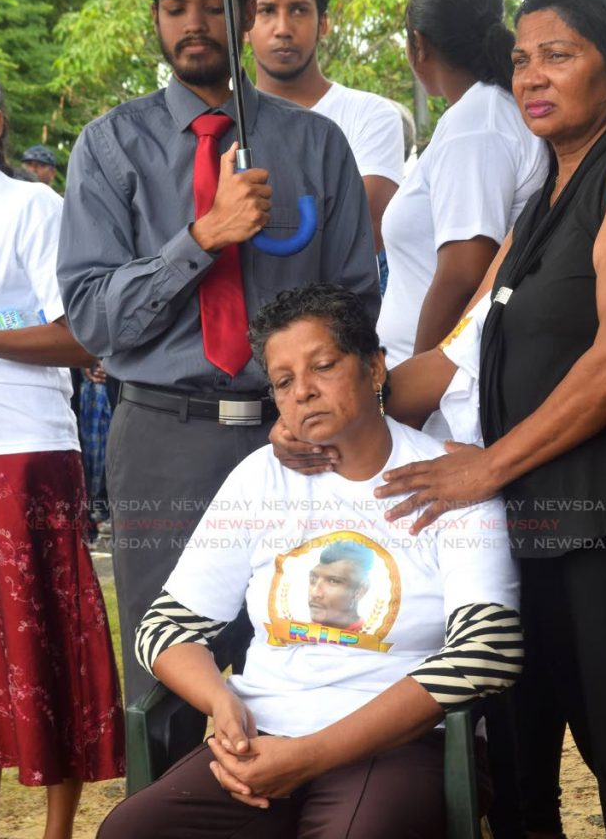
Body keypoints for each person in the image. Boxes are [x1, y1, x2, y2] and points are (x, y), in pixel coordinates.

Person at [56, 0, 380, 726]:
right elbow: (95, 320)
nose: (192, 24)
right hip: (166, 444)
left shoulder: (316, 146)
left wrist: (312, 410)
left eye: (211, 4)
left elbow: (355, 303)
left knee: (312, 665)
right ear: (156, 19)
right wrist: (202, 236)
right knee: (166, 690)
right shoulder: (108, 149)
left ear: (245, 8)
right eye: (173, 7)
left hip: (300, 445)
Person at [373, 0, 606, 839]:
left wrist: (487, 465)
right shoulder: (539, 199)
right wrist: (337, 399)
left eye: (559, 56)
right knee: (511, 770)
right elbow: (456, 354)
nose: (532, 78)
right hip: (518, 535)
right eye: (519, 61)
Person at [97, 283, 522, 839]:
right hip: (261, 735)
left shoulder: (450, 479)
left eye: (323, 366)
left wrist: (310, 755)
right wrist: (221, 702)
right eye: (283, 381)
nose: (303, 392)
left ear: (374, 369)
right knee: (131, 831)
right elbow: (165, 628)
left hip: (395, 744)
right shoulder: (259, 479)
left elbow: (488, 649)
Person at [0, 75, 124, 839]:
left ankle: (56, 831)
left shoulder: (32, 208)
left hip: (26, 454)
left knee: (45, 645)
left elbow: (81, 337)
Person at [376, 0, 547, 382]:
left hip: (446, 392)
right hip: (451, 377)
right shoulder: (484, 112)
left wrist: (415, 388)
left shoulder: (477, 122)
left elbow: (463, 273)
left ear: (418, 44)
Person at [248, 0, 405, 252]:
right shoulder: (223, 124)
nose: (282, 28)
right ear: (244, 23)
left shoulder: (371, 115)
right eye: (266, 10)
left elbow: (364, 231)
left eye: (298, 10)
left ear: (323, 23)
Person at [308, 540, 373, 629]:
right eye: (313, 579)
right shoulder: (293, 635)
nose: (314, 593)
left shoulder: (373, 637)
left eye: (333, 581)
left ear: (360, 591)